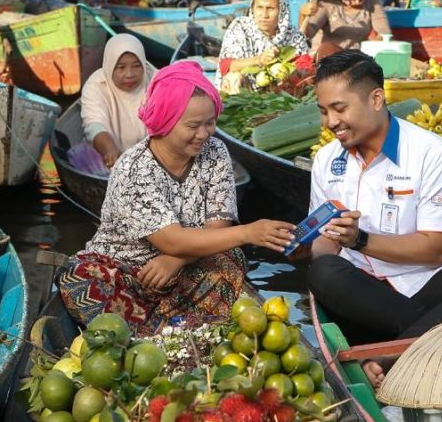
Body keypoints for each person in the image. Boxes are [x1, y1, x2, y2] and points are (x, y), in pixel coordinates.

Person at [306, 51, 442, 377]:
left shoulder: (433, 154)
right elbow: (324, 245)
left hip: (428, 285)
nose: (331, 122)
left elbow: (435, 250)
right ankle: (431, 339)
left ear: (376, 99)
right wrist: (309, 244)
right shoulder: (327, 160)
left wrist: (360, 240)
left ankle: (394, 352)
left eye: (340, 108)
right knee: (323, 270)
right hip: (365, 299)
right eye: (324, 111)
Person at [57, 61, 294, 334]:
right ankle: (171, 331)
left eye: (210, 122)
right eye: (193, 126)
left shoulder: (215, 152)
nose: (204, 134)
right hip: (127, 272)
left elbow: (218, 226)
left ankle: (167, 331)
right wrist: (250, 232)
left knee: (230, 260)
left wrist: (178, 259)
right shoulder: (135, 168)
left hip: (181, 268)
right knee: (80, 279)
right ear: (165, 122)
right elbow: (172, 240)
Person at [80, 33, 157, 169]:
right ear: (110, 66)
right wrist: (110, 150)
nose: (129, 74)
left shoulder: (156, 80)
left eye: (136, 66)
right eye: (121, 67)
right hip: (111, 158)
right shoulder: (96, 85)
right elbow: (94, 125)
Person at [219, 0, 309, 92]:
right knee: (233, 78)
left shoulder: (293, 36)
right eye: (260, 7)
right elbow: (227, 66)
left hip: (281, 94)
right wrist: (258, 60)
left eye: (270, 8)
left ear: (282, 10)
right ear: (252, 8)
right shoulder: (240, 28)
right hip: (246, 91)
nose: (264, 15)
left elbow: (305, 67)